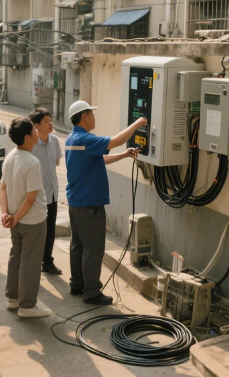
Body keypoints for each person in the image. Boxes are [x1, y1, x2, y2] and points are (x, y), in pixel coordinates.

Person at [65, 101, 146, 305]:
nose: (94, 117)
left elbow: (99, 158)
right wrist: (136, 124)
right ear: (84, 117)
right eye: (91, 114)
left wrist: (125, 155)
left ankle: (77, 284)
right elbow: (116, 140)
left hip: (76, 201)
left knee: (78, 245)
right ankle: (92, 292)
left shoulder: (72, 139)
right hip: (90, 203)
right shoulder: (86, 138)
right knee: (94, 248)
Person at [0, 118, 51, 318]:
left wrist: (7, 214)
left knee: (16, 256)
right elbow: (31, 199)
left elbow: (2, 187)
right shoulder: (32, 162)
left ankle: (13, 298)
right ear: (27, 137)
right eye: (35, 130)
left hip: (15, 218)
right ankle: (27, 306)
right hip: (32, 220)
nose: (38, 132)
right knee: (30, 262)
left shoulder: (10, 156)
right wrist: (15, 217)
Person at [29, 107, 63, 275]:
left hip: (53, 193)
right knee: (36, 232)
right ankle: (33, 263)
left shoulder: (55, 140)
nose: (50, 124)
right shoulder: (31, 145)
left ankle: (47, 261)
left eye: (50, 120)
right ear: (36, 125)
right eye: (46, 122)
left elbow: (56, 163)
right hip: (36, 196)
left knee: (50, 231)